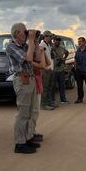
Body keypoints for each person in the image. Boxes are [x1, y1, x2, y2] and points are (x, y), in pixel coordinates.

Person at [6, 23, 42, 154]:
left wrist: (36, 42)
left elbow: (37, 58)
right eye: (25, 32)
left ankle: (27, 138)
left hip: (30, 79)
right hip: (22, 80)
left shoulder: (25, 46)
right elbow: (27, 58)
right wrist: (31, 39)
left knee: (31, 111)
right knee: (23, 113)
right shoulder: (11, 46)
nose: (27, 34)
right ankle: (19, 143)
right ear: (17, 33)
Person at [74, 37, 86, 105]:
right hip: (79, 71)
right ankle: (80, 98)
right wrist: (75, 68)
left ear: (84, 42)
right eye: (78, 41)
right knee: (79, 86)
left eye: (80, 41)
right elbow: (75, 60)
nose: (79, 43)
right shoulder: (78, 51)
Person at [51, 35, 69, 104]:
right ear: (54, 41)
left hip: (61, 69)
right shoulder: (51, 49)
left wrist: (64, 59)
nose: (57, 42)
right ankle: (52, 100)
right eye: (56, 41)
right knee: (53, 86)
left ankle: (63, 99)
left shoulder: (62, 48)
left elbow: (67, 52)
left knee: (62, 85)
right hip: (54, 70)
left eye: (58, 41)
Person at [40, 30, 55, 110]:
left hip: (50, 69)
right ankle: (44, 104)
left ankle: (50, 102)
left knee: (50, 87)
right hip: (45, 70)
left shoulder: (48, 45)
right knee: (45, 87)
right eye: (50, 36)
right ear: (46, 36)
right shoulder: (42, 45)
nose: (51, 38)